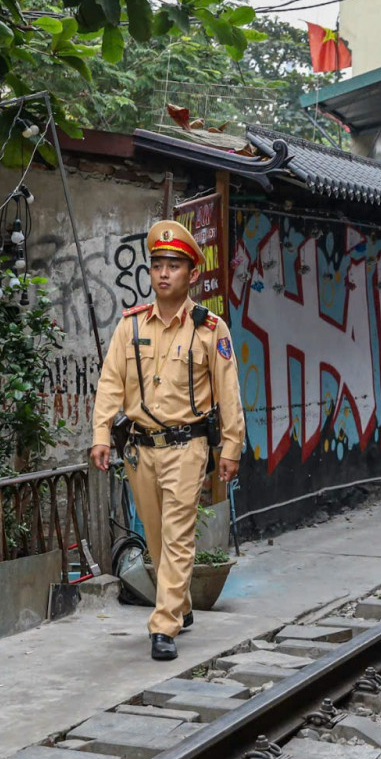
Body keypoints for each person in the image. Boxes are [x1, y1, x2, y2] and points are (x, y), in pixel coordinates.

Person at [91, 220, 246, 662]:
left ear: (192, 273)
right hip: (140, 449)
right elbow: (109, 383)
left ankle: (163, 627)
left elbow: (228, 393)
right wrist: (102, 434)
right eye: (157, 264)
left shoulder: (209, 329)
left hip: (187, 446)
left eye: (173, 265)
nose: (163, 273)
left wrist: (229, 447)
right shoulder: (130, 326)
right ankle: (180, 602)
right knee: (156, 538)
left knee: (177, 535)